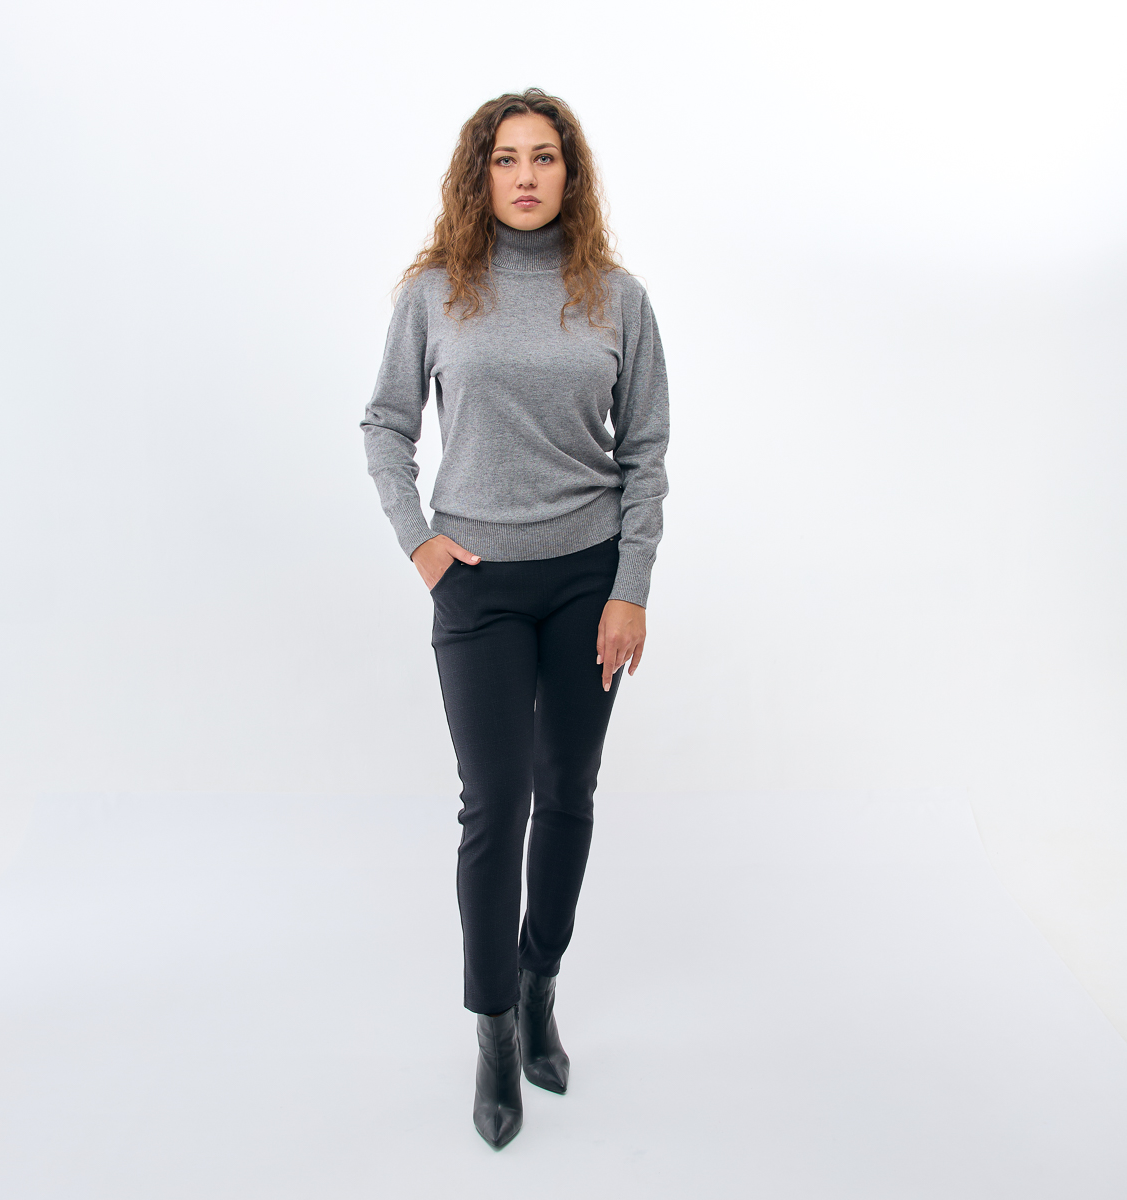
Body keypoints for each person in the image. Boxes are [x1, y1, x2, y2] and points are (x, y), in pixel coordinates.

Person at [359, 87, 670, 1149]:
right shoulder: (437, 293)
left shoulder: (618, 297)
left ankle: (540, 988)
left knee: (567, 791)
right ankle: (493, 1030)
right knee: (495, 804)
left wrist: (631, 586)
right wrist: (421, 544)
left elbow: (645, 453)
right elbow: (386, 425)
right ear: (479, 174)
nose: (526, 175)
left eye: (544, 157)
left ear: (569, 175)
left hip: (588, 580)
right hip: (478, 583)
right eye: (506, 158)